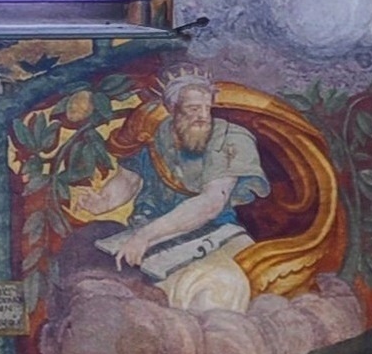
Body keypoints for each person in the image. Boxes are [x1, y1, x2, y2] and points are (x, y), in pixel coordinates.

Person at [66, 73, 345, 315]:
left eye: (207, 109)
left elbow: (211, 203)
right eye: (192, 109)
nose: (202, 117)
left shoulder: (230, 138)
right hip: (150, 238)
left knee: (220, 286)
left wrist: (146, 236)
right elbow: (128, 181)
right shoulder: (154, 136)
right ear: (172, 110)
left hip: (216, 234)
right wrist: (101, 201)